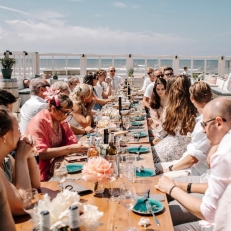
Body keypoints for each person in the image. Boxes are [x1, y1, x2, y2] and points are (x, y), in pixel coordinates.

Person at [155, 97, 231, 230]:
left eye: (204, 124)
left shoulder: (224, 154)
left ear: (219, 123)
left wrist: (172, 189)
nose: (203, 130)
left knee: (159, 221)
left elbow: (209, 212)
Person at [25, 93, 88, 181]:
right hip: (40, 173)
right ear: (53, 108)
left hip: (58, 167)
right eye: (65, 112)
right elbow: (40, 154)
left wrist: (72, 149)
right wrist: (69, 149)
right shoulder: (39, 122)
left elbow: (71, 140)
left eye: (69, 113)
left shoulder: (60, 120)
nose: (66, 116)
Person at [155, 82, 213, 176]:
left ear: (191, 98)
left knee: (152, 173)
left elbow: (193, 158)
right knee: (151, 167)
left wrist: (170, 169)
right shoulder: (206, 119)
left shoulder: (206, 122)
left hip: (195, 171)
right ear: (211, 95)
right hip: (185, 162)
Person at [0, 106, 39, 215]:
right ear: (5, 136)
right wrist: (21, 158)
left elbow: (34, 185)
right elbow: (23, 205)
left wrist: (29, 153)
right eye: (17, 129)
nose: (21, 134)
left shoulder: (6, 160)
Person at [152, 75, 197, 163]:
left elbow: (161, 133)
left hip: (172, 150)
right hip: (188, 152)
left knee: (146, 155)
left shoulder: (171, 109)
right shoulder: (195, 107)